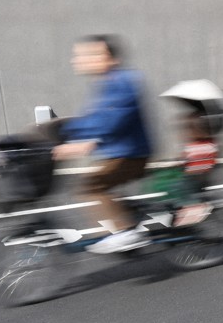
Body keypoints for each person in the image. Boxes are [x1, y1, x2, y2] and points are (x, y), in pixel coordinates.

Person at [53, 35, 154, 254]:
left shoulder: (122, 81)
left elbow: (112, 120)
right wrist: (62, 132)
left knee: (91, 186)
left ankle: (125, 232)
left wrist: (85, 143)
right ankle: (128, 220)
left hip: (131, 155)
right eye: (79, 56)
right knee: (100, 185)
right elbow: (93, 120)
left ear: (112, 59)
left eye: (90, 55)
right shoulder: (107, 83)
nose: (79, 60)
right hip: (119, 153)